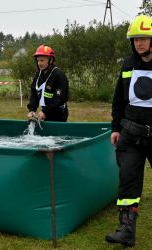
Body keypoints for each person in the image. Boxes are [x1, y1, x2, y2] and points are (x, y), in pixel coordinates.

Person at [105, 15, 152, 247]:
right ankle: (126, 230)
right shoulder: (128, 65)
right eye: (135, 39)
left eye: (143, 39)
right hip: (131, 134)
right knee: (128, 182)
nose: (139, 43)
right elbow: (118, 99)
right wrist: (116, 127)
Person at [27, 45, 69, 122]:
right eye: (38, 60)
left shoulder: (59, 75)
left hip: (58, 114)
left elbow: (58, 99)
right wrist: (32, 109)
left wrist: (45, 111)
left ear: (51, 60)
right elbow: (34, 94)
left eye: (42, 60)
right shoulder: (38, 75)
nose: (39, 63)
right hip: (45, 112)